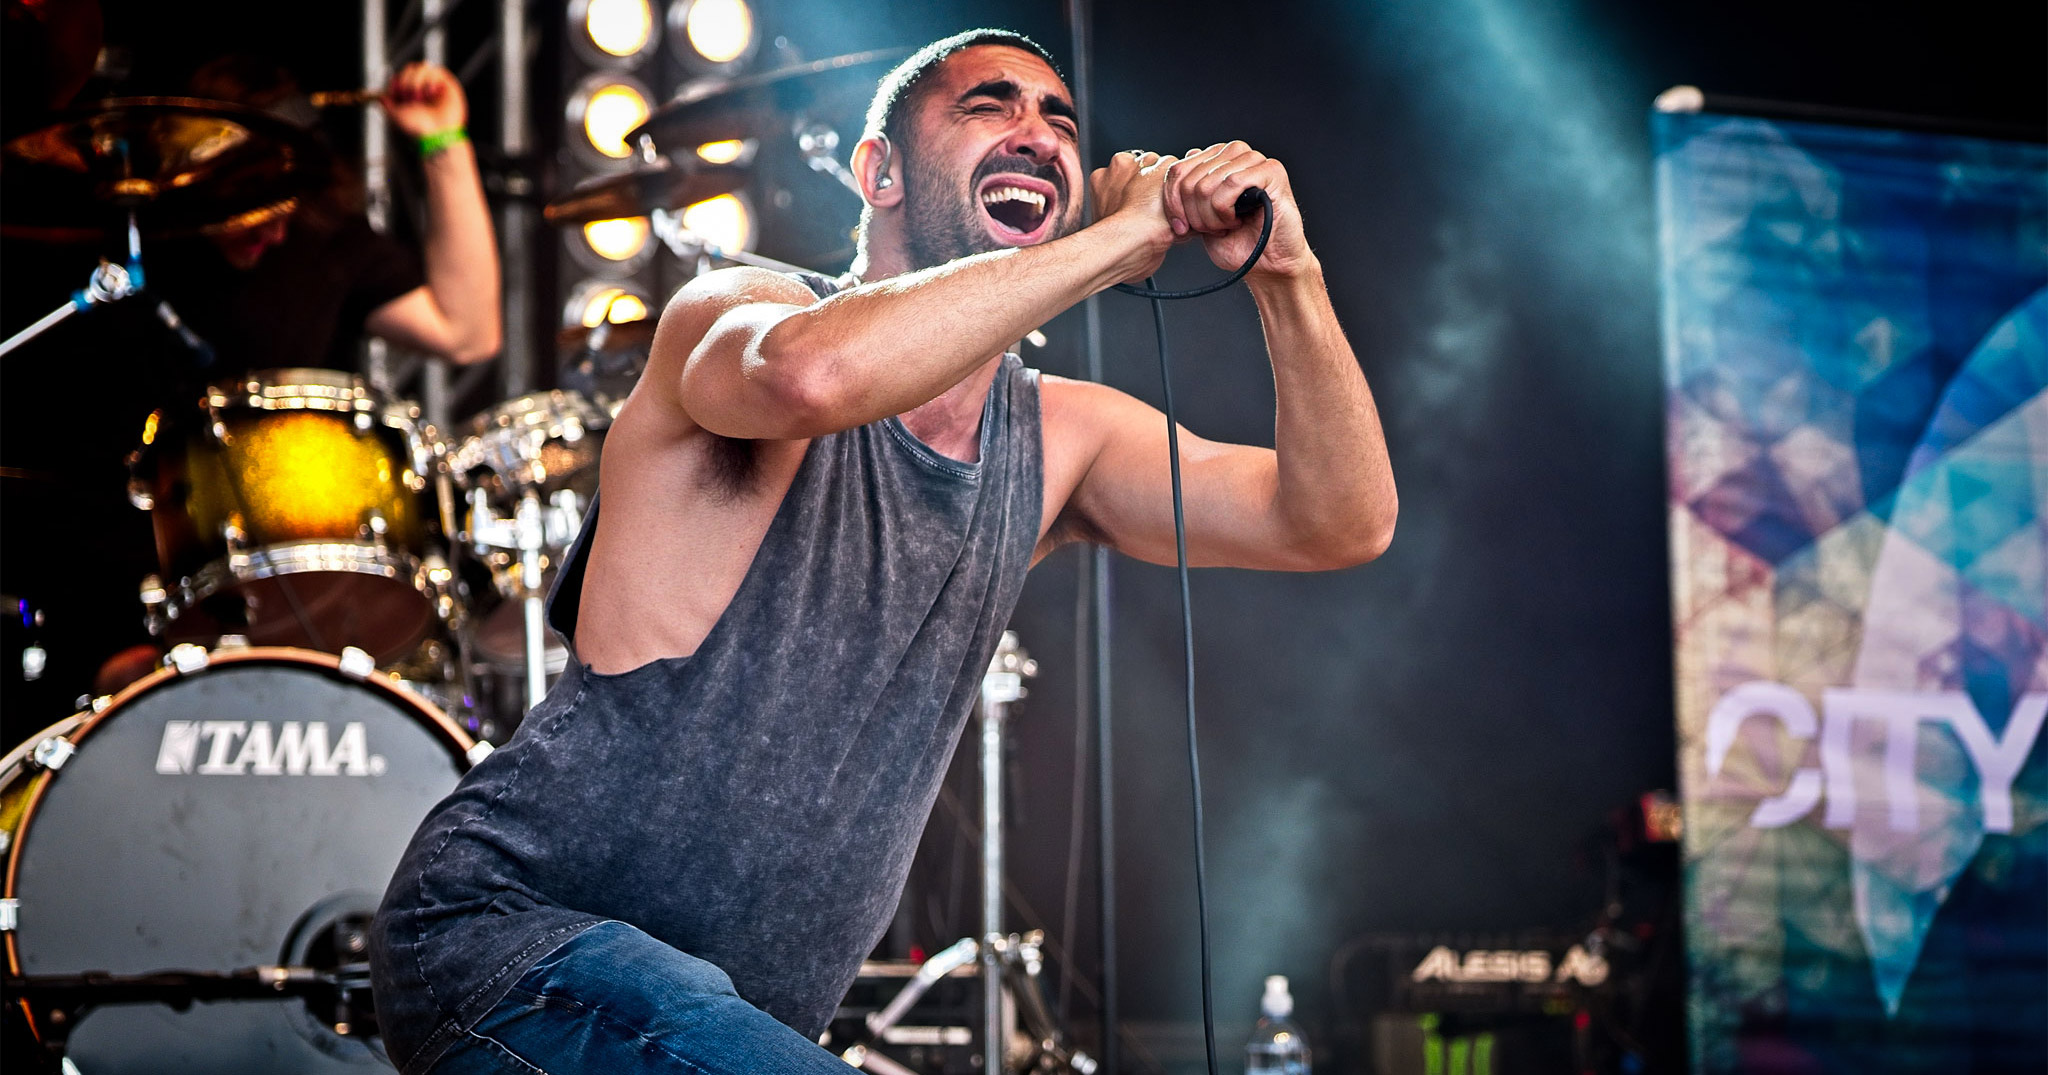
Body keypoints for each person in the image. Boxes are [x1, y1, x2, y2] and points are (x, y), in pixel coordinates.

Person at [369, 29, 1396, 1074]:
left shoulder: (1060, 439)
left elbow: (1335, 520)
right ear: (880, 172)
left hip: (729, 1026)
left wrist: (1287, 275)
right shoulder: (742, 311)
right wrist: (1105, 247)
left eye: (1059, 121)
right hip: (508, 942)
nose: (1036, 135)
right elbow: (809, 382)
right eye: (988, 108)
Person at [0, 56, 501, 742]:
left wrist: (442, 143)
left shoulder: (323, 240)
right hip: (102, 582)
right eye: (252, 212)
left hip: (292, 590)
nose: (272, 231)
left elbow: (469, 330)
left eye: (283, 209)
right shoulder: (113, 246)